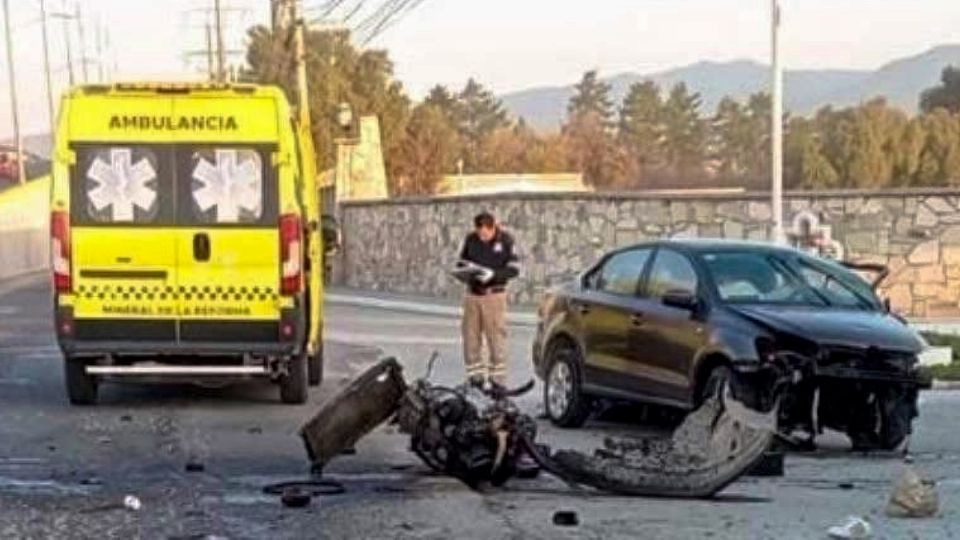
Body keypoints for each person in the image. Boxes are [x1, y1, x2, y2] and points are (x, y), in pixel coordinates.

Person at [457, 211, 520, 388]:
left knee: (496, 338)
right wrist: (466, 271)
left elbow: (514, 269)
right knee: (470, 337)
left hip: (494, 295)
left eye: (486, 232)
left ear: (493, 228)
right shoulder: (471, 240)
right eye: (480, 232)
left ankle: (497, 381)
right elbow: (461, 262)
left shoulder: (505, 240)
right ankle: (475, 378)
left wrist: (493, 274)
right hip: (473, 295)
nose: (483, 236)